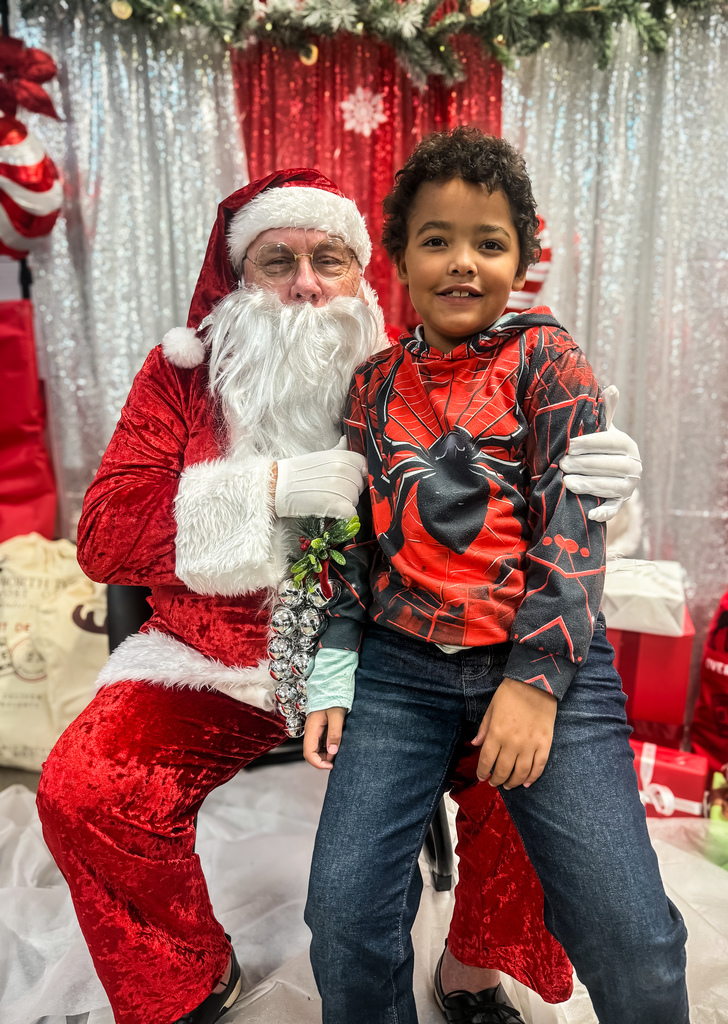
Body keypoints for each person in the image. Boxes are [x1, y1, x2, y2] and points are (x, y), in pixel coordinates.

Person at [35, 168, 640, 1024]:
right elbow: (103, 534)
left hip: (401, 659)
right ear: (239, 277)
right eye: (278, 261)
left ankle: (471, 970)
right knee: (85, 786)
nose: (308, 284)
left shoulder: (419, 365)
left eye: (330, 258)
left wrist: (603, 485)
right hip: (219, 664)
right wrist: (268, 489)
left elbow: (520, 498)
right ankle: (188, 977)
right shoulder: (184, 374)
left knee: (535, 768)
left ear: (366, 273)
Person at [302, 129, 688, 1024]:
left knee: (635, 938)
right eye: (436, 239)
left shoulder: (550, 363)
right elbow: (353, 539)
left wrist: (538, 681)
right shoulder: (372, 387)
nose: (462, 262)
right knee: (344, 918)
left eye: (490, 241)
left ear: (524, 256)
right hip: (400, 667)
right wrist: (331, 661)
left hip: (542, 659)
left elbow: (574, 529)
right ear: (398, 256)